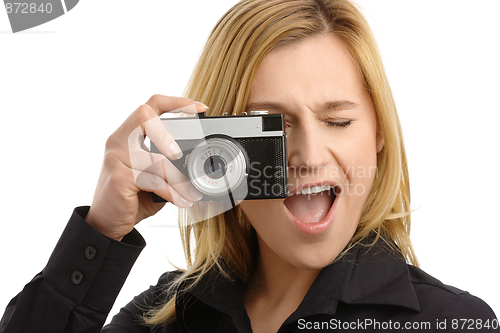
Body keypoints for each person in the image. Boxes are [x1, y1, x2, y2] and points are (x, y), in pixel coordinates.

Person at [1, 0, 498, 332]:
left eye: (338, 121)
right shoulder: (167, 316)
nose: (307, 155)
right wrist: (101, 233)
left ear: (379, 134)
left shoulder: (450, 321)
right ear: (214, 146)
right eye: (271, 127)